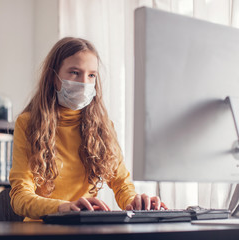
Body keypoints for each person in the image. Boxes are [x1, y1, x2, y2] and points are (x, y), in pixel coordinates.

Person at [9, 37, 165, 221]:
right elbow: (20, 197)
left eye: (91, 75)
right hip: (41, 230)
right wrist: (63, 207)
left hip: (85, 228)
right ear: (53, 77)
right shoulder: (27, 124)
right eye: (75, 73)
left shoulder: (103, 127)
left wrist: (136, 202)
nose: (84, 83)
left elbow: (122, 185)